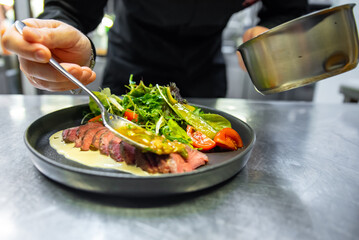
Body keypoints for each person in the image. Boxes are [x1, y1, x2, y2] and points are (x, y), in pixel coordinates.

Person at [1, 0, 308, 97]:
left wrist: (273, 31)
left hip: (205, 66)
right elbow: (70, 8)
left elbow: (287, 8)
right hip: (132, 60)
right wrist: (58, 34)